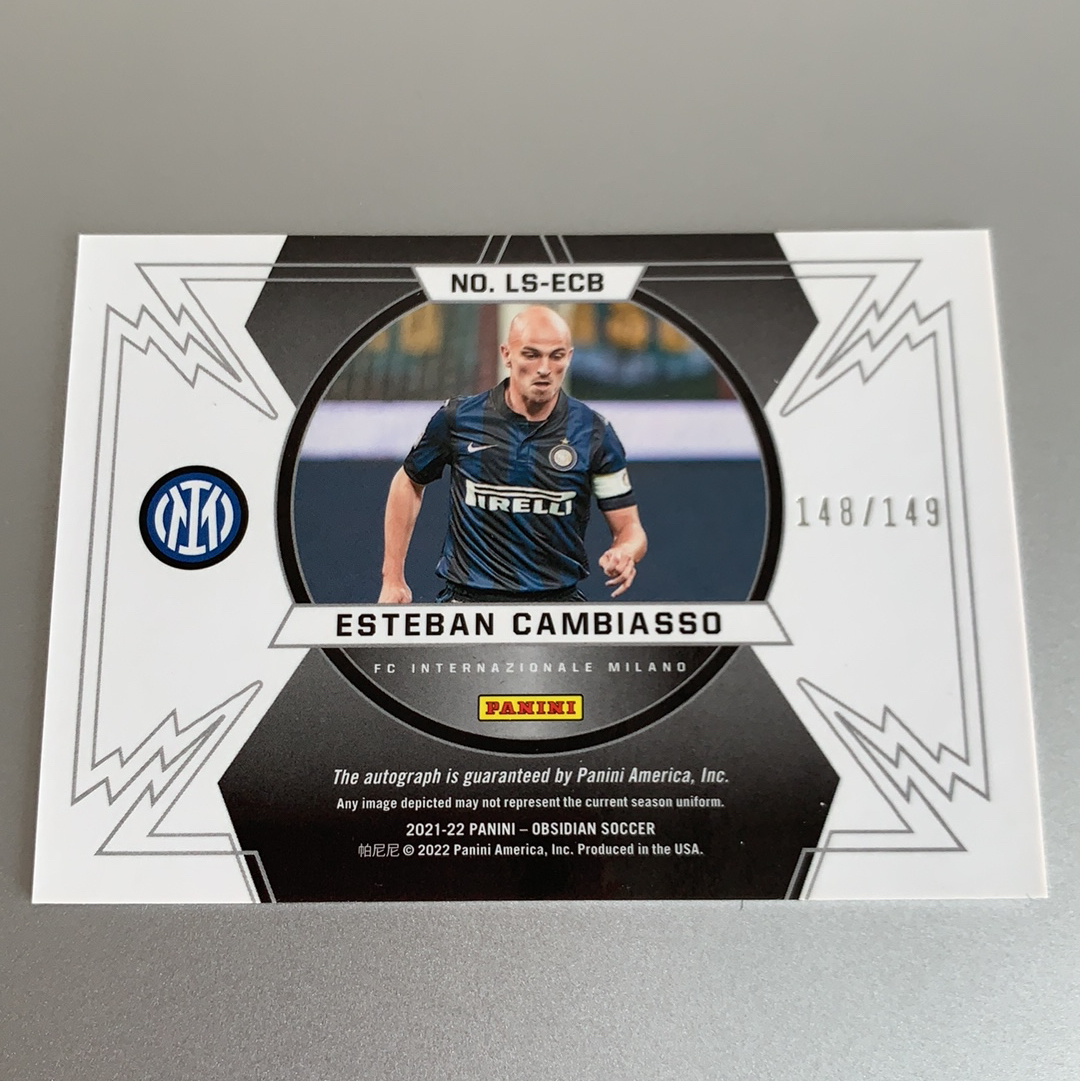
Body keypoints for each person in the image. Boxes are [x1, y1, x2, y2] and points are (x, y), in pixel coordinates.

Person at [378, 305, 647, 603]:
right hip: (468, 604)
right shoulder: (459, 418)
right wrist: (393, 578)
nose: (544, 368)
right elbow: (408, 481)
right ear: (507, 355)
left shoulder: (594, 432)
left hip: (557, 607)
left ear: (569, 357)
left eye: (556, 356)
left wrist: (625, 551)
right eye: (531, 355)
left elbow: (630, 528)